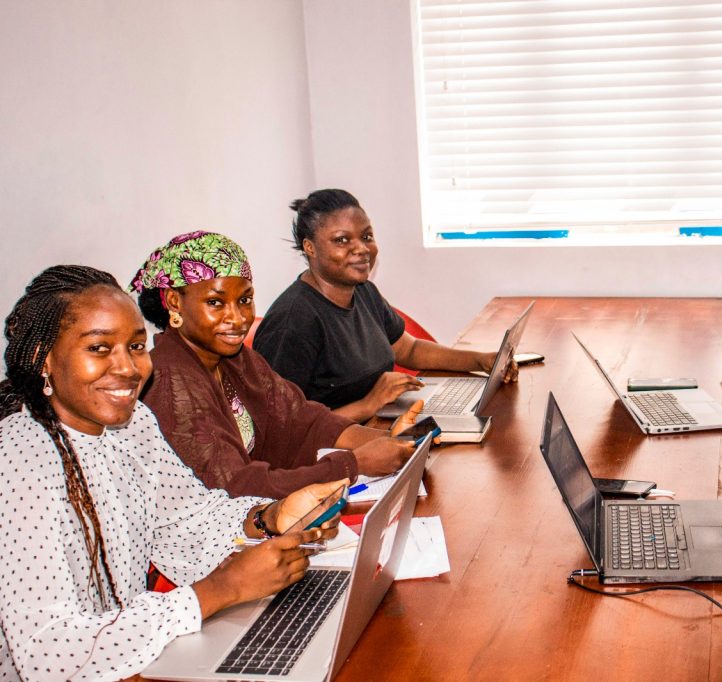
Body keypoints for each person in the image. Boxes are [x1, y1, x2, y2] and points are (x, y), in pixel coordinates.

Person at [0, 265, 347, 679]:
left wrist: (268, 517)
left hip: (134, 661)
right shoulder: (18, 462)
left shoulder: (133, 424)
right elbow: (47, 653)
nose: (128, 368)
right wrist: (218, 592)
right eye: (99, 348)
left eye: (135, 346)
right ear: (42, 358)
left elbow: (185, 518)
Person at [132, 231, 416, 499]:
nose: (238, 318)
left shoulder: (232, 358)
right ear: (173, 302)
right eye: (216, 303)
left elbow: (301, 420)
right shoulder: (169, 381)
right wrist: (352, 464)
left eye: (244, 300)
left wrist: (389, 440)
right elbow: (233, 486)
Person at [252, 189, 516, 421]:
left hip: (382, 424)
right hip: (334, 453)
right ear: (310, 247)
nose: (361, 249)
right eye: (342, 240)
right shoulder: (292, 322)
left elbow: (407, 348)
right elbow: (281, 427)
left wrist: (481, 361)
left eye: (366, 236)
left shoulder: (363, 291)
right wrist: (368, 405)